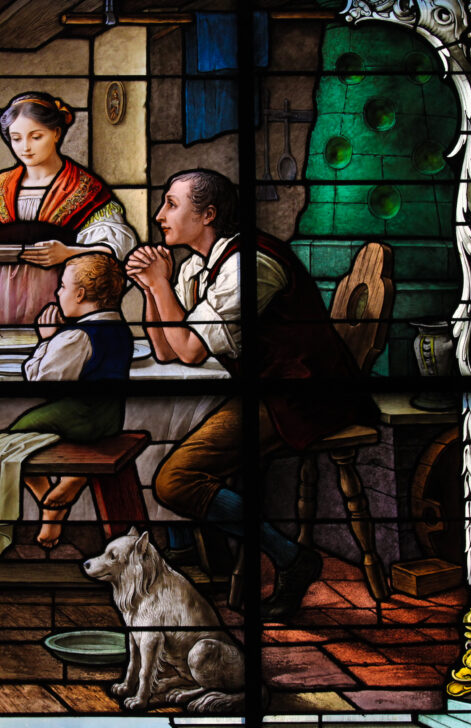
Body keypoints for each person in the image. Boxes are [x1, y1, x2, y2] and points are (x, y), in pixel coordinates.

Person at [126, 169, 377, 621]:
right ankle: (215, 560)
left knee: (173, 481)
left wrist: (159, 284)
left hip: (302, 396)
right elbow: (167, 348)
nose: (160, 215)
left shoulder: (249, 264)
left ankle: (289, 557)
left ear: (208, 214)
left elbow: (187, 348)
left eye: (171, 203)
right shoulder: (196, 268)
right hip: (266, 390)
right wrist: (151, 286)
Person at [0, 92, 136, 325]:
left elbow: (114, 252)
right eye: (16, 138)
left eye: (36, 137)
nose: (25, 147)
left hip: (60, 294)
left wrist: (67, 253)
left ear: (56, 133)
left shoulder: (85, 189)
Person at [10, 253, 134, 547]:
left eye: (62, 287)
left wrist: (46, 340)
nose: (57, 293)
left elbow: (41, 382)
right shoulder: (121, 329)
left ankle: (52, 506)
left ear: (80, 294)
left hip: (80, 416)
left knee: (15, 440)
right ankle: (69, 483)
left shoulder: (75, 336)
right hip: (111, 417)